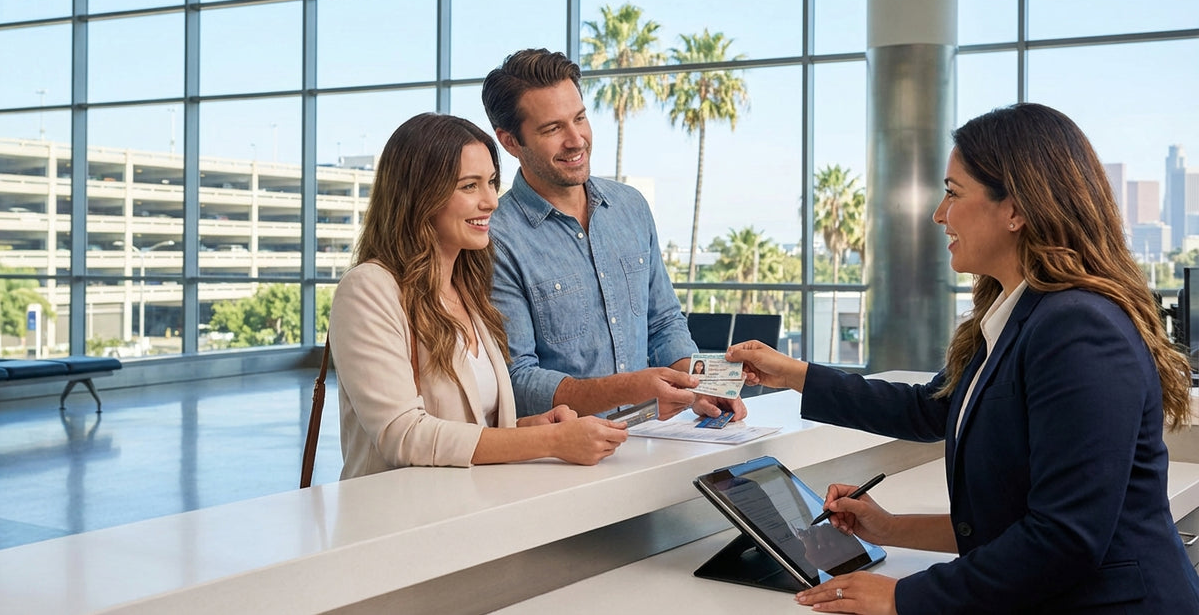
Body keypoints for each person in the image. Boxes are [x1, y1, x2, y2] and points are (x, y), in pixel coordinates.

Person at [727, 103, 1199, 614]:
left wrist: (905, 597)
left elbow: (1065, 538)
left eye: (953, 193)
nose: (938, 213)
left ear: (1016, 209)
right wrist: (796, 376)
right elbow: (930, 409)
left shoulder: (1078, 329)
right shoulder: (1017, 314)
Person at [330, 113, 628, 480]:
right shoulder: (369, 290)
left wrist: (530, 427)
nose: (491, 201)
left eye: (491, 182)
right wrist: (550, 441)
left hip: (470, 517)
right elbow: (403, 435)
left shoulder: (467, 290)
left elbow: (468, 427)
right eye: (469, 186)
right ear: (419, 196)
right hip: (400, 525)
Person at [481, 48, 747, 422]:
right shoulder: (496, 239)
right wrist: (632, 387)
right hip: (560, 460)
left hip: (654, 441)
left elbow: (663, 322)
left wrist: (700, 385)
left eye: (580, 118)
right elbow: (516, 381)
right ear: (510, 141)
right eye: (553, 128)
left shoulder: (630, 207)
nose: (577, 140)